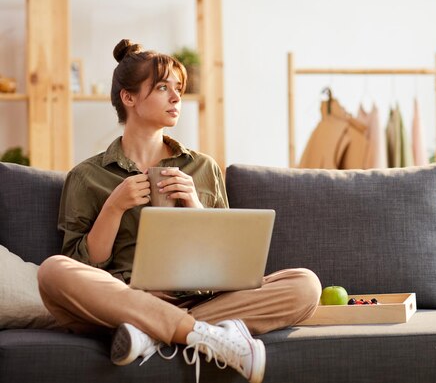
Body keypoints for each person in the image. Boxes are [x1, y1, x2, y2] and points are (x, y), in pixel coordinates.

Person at [37, 39, 322, 383]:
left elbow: (229, 265)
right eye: (162, 87)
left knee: (305, 285)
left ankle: (148, 333)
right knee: (53, 272)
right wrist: (115, 206)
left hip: (199, 301)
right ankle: (202, 335)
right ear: (128, 98)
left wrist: (197, 208)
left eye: (179, 89)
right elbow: (82, 266)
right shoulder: (87, 176)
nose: (176, 98)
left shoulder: (202, 167)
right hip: (122, 300)